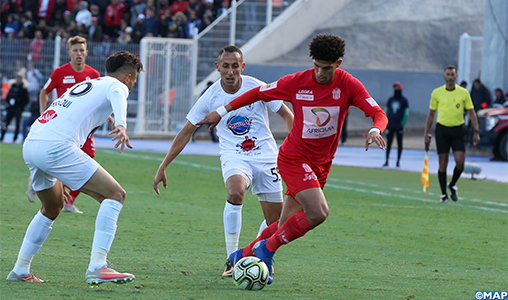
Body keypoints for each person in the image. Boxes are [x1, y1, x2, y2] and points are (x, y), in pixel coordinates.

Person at [197, 34, 388, 284]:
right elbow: (257, 93)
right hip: (294, 158)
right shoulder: (297, 82)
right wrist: (222, 111)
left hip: (321, 164)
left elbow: (377, 112)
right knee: (318, 213)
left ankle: (239, 255)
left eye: (326, 68)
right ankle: (266, 249)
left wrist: (375, 129)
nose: (320, 72)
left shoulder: (348, 84)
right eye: (316, 65)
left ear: (338, 63)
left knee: (284, 223)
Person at [152, 45, 294, 278]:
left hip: (266, 156)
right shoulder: (210, 97)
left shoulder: (257, 86)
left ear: (242, 67)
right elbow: (187, 131)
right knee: (235, 192)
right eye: (225, 66)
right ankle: (232, 259)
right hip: (235, 155)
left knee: (276, 221)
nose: (230, 71)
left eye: (235, 66)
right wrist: (163, 164)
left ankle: (259, 252)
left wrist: (293, 146)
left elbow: (287, 115)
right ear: (217, 68)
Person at [6, 50, 143, 284]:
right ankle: (98, 266)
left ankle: (20, 270)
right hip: (57, 147)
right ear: (129, 77)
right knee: (115, 195)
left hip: (33, 143)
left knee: (52, 207)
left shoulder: (91, 83)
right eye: (134, 80)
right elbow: (119, 94)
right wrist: (121, 124)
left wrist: (106, 116)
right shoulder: (118, 85)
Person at [28, 35, 101, 212]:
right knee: (59, 158)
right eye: (75, 50)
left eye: (81, 50)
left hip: (83, 127)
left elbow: (98, 100)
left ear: (86, 53)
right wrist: (43, 113)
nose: (78, 53)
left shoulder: (93, 75)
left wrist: (108, 117)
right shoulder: (60, 72)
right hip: (61, 126)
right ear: (69, 53)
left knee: (89, 157)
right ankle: (39, 182)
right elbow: (45, 92)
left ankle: (68, 200)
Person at [424, 65, 480, 203]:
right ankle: (444, 194)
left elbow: (472, 113)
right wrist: (426, 133)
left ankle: (452, 184)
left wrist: (476, 131)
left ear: (456, 76)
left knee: (460, 162)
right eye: (447, 74)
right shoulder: (437, 93)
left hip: (458, 130)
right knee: (443, 163)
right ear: (444, 76)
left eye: (452, 74)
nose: (450, 77)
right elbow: (431, 115)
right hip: (442, 130)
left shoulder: (463, 93)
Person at [383, 82, 409, 167]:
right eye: (395, 88)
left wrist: (402, 124)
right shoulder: (390, 100)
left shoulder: (404, 101)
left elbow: (406, 113)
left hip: (399, 125)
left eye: (398, 88)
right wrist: (386, 122)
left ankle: (398, 161)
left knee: (399, 143)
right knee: (388, 142)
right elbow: (386, 111)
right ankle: (386, 160)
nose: (396, 90)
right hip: (391, 124)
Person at [0, 70, 29, 142]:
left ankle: (15, 138)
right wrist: (7, 103)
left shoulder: (24, 89)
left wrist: (20, 107)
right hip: (10, 108)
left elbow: (26, 100)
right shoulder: (13, 87)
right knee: (6, 122)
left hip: (18, 109)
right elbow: (8, 96)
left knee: (17, 124)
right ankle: (2, 136)